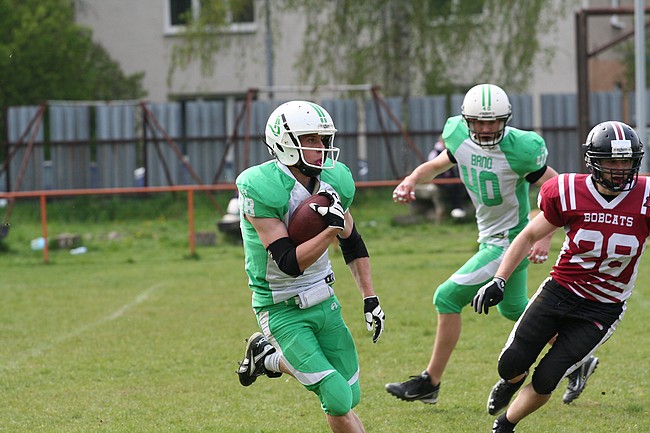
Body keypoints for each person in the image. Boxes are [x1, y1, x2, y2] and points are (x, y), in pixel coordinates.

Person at [386, 83, 559, 405]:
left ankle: (430, 381)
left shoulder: (522, 148)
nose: (486, 128)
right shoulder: (458, 137)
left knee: (446, 297)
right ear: (467, 120)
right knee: (514, 309)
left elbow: (555, 190)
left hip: (509, 241)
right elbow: (437, 165)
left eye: (493, 122)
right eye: (479, 121)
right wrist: (411, 179)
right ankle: (576, 357)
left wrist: (545, 235)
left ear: (505, 120)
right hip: (491, 236)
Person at [472, 120, 646, 433]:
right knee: (510, 364)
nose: (620, 169)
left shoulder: (645, 198)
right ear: (593, 161)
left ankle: (505, 424)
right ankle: (510, 382)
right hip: (559, 291)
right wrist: (499, 279)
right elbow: (528, 235)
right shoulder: (567, 191)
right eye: (612, 161)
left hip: (603, 307)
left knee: (547, 377)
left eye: (626, 161)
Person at [234, 100, 385, 433]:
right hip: (280, 306)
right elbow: (289, 262)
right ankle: (269, 353)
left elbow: (353, 241)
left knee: (350, 395)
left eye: (323, 139)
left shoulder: (334, 181)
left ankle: (267, 358)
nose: (321, 148)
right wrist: (330, 229)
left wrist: (370, 297)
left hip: (324, 297)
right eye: (311, 139)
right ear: (284, 142)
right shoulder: (261, 186)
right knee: (336, 397)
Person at [413, 135, 469, 221]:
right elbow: (432, 168)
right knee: (451, 187)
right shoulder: (435, 153)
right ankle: (455, 208)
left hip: (451, 179)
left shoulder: (454, 151)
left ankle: (458, 208)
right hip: (439, 179)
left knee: (459, 186)